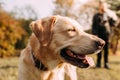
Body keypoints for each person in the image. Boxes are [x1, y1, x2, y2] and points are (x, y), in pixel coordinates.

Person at [92, 1, 117, 69]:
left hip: (107, 35)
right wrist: (95, 34)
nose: (103, 7)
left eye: (104, 6)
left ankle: (106, 64)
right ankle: (98, 63)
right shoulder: (96, 16)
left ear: (106, 7)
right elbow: (94, 26)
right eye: (102, 6)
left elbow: (113, 24)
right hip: (98, 35)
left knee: (106, 50)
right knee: (98, 50)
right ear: (100, 6)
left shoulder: (108, 15)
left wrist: (113, 18)